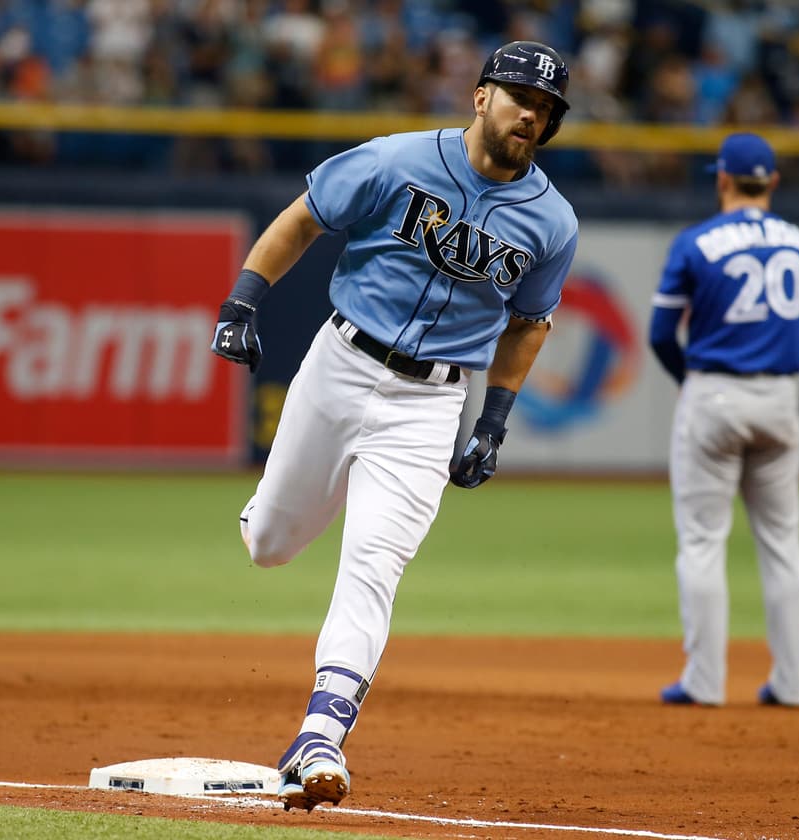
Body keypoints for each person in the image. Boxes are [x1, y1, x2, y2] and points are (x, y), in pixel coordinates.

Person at [208, 40, 578, 811]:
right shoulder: (395, 161)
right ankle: (283, 505)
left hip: (429, 405)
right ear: (481, 97)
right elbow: (303, 219)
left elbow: (530, 323)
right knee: (270, 545)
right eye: (520, 99)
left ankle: (321, 734)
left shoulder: (551, 221)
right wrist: (242, 301)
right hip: (339, 366)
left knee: (373, 564)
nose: (531, 117)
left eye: (545, 110)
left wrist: (495, 420)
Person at [648, 132, 799, 708]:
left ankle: (704, 681)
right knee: (782, 542)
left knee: (702, 542)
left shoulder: (696, 242)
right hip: (779, 397)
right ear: (772, 182)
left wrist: (697, 383)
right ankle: (793, 684)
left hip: (714, 393)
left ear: (721, 178)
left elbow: (659, 334)